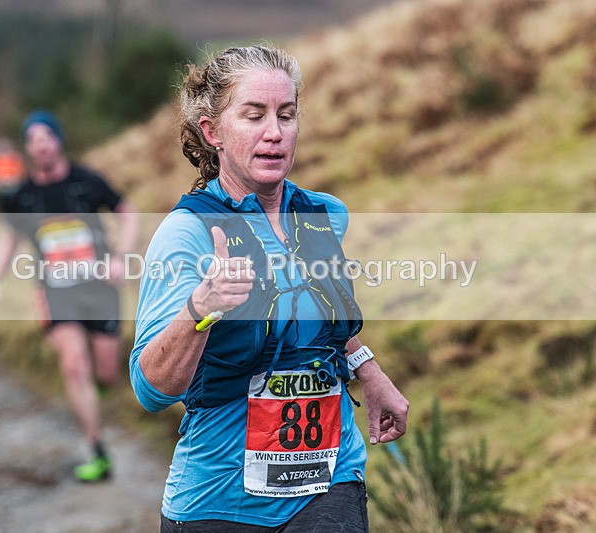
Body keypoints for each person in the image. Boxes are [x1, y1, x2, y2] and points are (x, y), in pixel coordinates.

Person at [131, 45, 409, 532]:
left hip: (330, 479)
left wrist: (368, 369)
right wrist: (202, 307)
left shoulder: (324, 216)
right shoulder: (187, 235)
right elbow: (151, 389)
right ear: (212, 131)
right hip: (219, 500)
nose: (274, 133)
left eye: (286, 114)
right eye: (254, 115)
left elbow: (314, 312)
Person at [0, 110, 138, 483]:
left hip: (100, 290)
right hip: (54, 290)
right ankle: (98, 451)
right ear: (28, 148)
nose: (42, 145)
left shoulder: (87, 180)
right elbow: (9, 239)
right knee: (74, 366)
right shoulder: (22, 196)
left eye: (47, 136)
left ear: (58, 141)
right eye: (33, 140)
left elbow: (127, 213)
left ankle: (96, 400)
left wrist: (120, 258)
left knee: (107, 373)